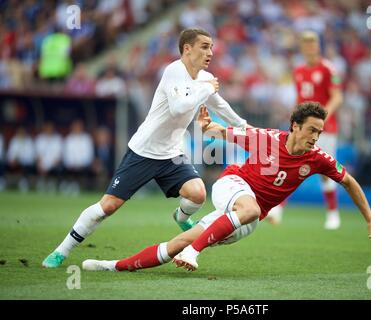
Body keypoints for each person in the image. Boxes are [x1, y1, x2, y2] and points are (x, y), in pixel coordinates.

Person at [81, 103, 371, 272]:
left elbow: (350, 181)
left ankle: (112, 266)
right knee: (250, 209)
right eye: (312, 130)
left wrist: (369, 217)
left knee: (174, 245)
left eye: (320, 132)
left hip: (246, 216)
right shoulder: (268, 139)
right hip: (232, 185)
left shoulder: (318, 159)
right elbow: (225, 132)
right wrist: (208, 127)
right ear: (295, 126)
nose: (316, 136)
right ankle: (195, 252)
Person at [42, 28, 247, 268]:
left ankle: (181, 218)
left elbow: (220, 106)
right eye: (204, 46)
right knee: (107, 207)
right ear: (187, 48)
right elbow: (179, 108)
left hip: (171, 153)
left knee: (198, 193)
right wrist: (207, 88)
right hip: (144, 152)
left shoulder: (204, 79)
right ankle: (62, 250)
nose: (210, 52)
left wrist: (245, 127)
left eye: (211, 47)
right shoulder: (173, 71)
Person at [267, 30, 344, 229]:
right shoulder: (298, 71)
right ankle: (278, 207)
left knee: (325, 172)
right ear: (302, 47)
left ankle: (333, 213)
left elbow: (337, 96)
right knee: (291, 163)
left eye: (313, 43)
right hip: (302, 128)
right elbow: (299, 100)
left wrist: (323, 116)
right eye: (306, 44)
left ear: (318, 46)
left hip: (324, 128)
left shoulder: (328, 69)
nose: (310, 47)